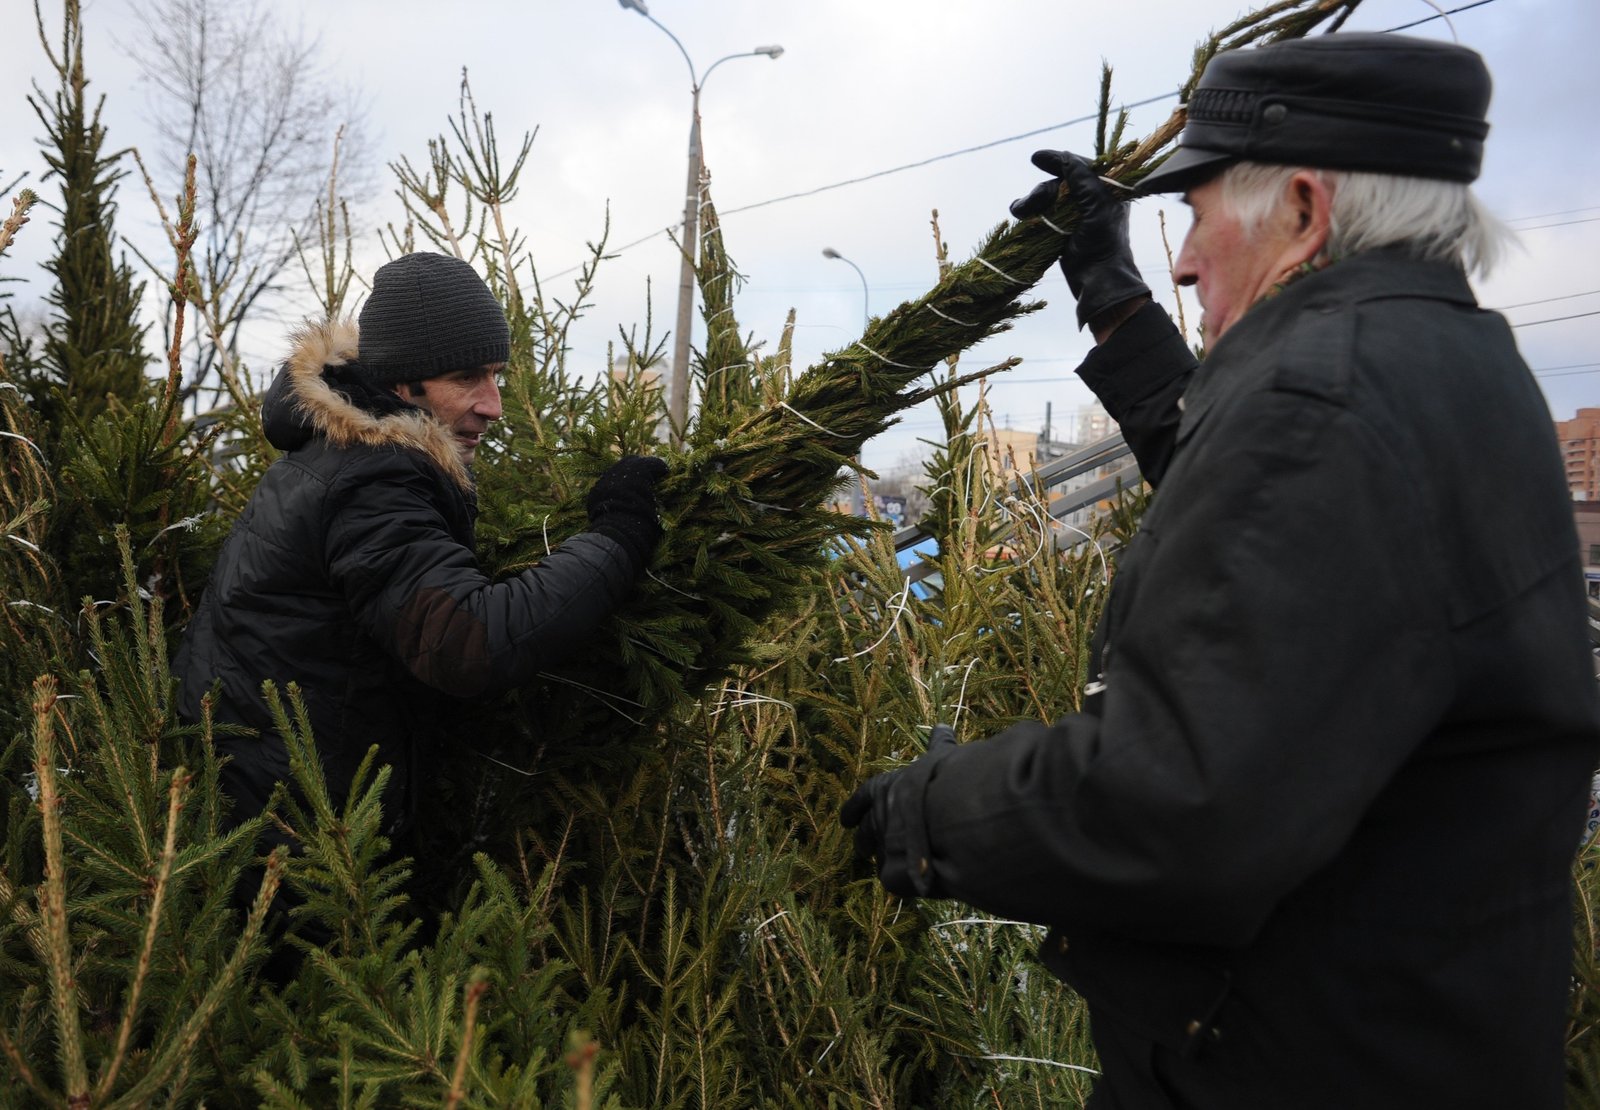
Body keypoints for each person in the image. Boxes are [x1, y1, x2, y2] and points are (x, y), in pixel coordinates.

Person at [842, 33, 1600, 1108]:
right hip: (1416, 1040)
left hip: (1291, 1064)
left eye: (1195, 216)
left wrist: (930, 817)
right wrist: (1110, 296)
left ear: (1302, 211)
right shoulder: (1444, 361)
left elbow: (1174, 802)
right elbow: (1248, 493)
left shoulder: (1326, 403)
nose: (1186, 258)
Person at [176, 252, 666, 919]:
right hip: (293, 859)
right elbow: (468, 641)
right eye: (466, 378)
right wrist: (620, 535)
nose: (493, 405)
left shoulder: (339, 454)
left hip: (267, 815)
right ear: (402, 386)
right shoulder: (371, 478)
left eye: (495, 376)